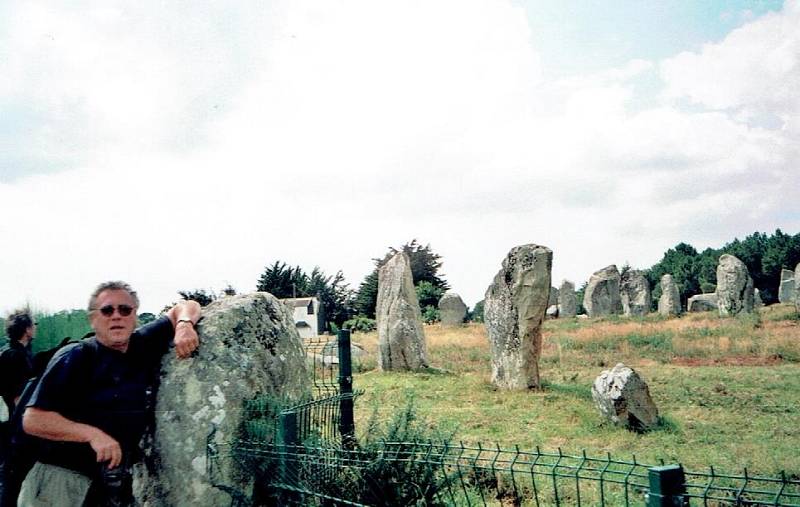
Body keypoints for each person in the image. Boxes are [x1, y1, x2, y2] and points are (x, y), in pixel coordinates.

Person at [19, 281, 201, 506]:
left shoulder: (141, 344)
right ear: (93, 319)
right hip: (61, 482)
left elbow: (187, 306)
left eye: (125, 310)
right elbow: (33, 419)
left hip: (111, 484)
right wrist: (92, 435)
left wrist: (184, 325)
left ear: (135, 316)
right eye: (107, 310)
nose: (116, 316)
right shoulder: (75, 357)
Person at [0, 310, 35, 507]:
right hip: (14, 426)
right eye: (33, 325)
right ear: (27, 330)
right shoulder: (17, 356)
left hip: (6, 423)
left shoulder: (8, 352)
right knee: (12, 476)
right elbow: (18, 397)